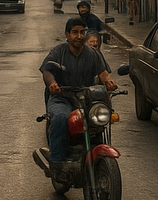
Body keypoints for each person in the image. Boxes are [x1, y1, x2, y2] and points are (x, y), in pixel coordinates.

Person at [40, 17, 117, 179]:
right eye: (75, 32)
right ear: (67, 34)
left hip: (86, 98)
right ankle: (56, 163)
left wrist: (108, 81)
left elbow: (103, 73)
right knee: (61, 117)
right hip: (62, 98)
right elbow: (47, 71)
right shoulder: (58, 52)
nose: (79, 36)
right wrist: (52, 83)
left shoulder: (93, 54)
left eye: (82, 32)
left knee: (98, 119)